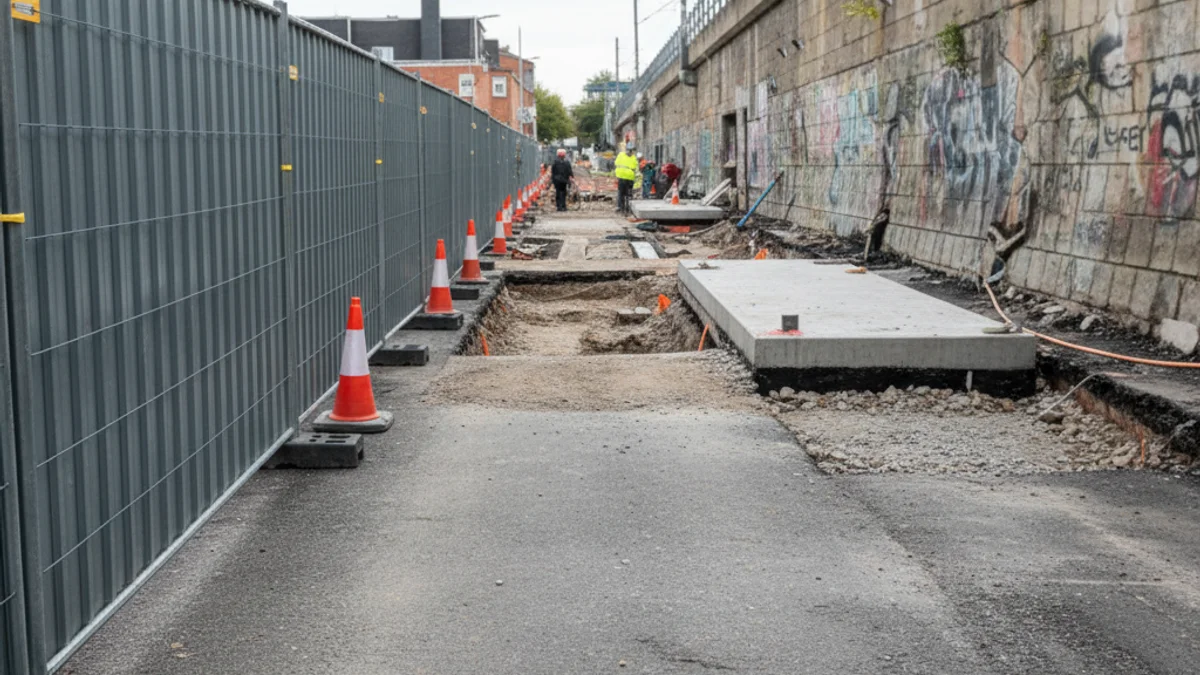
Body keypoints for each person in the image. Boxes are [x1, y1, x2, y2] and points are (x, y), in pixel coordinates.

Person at [614, 143, 639, 215]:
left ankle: (622, 208)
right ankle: (626, 208)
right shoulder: (633, 157)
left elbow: (616, 164)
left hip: (624, 178)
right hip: (627, 178)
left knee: (622, 194)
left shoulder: (621, 155)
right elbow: (635, 168)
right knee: (627, 194)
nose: (630, 152)